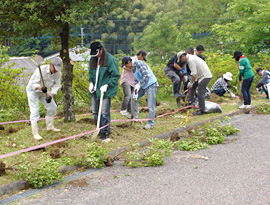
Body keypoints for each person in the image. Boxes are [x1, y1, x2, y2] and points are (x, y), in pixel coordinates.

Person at [89, 41, 120, 142]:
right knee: (95, 110)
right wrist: (91, 82)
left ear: (101, 50)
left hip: (105, 90)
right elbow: (91, 72)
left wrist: (107, 85)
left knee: (104, 112)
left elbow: (115, 75)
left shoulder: (110, 59)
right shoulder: (92, 59)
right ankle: (99, 129)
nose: (96, 55)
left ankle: (106, 131)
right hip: (95, 89)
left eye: (97, 53)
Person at [26, 57, 62, 140]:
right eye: (54, 68)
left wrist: (51, 96)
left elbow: (56, 85)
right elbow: (32, 83)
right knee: (35, 110)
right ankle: (35, 133)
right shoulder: (41, 69)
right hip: (33, 91)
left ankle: (50, 126)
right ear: (50, 65)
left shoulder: (58, 73)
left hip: (44, 92)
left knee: (53, 107)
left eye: (57, 69)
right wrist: (40, 88)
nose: (55, 71)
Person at [121, 56, 158, 129]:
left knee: (151, 105)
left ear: (129, 62)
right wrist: (136, 89)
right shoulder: (133, 69)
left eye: (126, 65)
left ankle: (150, 124)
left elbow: (147, 75)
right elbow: (136, 80)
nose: (126, 67)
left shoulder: (139, 64)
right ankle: (135, 116)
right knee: (133, 97)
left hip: (151, 85)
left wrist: (139, 84)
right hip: (144, 86)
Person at [120, 50, 147, 118]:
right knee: (128, 95)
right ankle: (123, 109)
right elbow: (124, 66)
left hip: (133, 81)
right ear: (140, 55)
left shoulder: (140, 62)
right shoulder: (131, 59)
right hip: (126, 79)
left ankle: (130, 110)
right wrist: (133, 69)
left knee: (132, 96)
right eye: (143, 57)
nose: (143, 59)